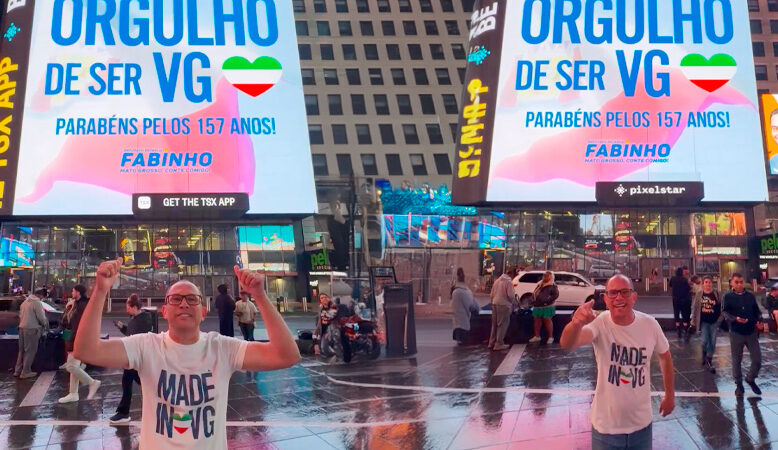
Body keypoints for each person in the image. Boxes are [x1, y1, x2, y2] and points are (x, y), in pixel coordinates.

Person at [74, 259, 300, 449]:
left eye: (192, 299)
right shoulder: (146, 346)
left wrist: (259, 296)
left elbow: (286, 355)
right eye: (176, 299)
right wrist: (100, 290)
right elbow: (86, 350)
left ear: (203, 312)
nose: (183, 303)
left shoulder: (222, 348)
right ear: (164, 311)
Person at [560, 275, 675, 449]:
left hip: (641, 427)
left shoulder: (650, 325)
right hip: (606, 430)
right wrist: (576, 324)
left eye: (624, 292)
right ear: (606, 299)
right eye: (613, 293)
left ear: (634, 297)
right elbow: (567, 344)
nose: (619, 298)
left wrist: (670, 395)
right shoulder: (600, 323)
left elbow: (665, 355)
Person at [109, 294, 153, 423]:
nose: (126, 309)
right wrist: (122, 327)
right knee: (135, 382)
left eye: (127, 306)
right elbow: (131, 334)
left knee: (135, 382)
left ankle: (124, 412)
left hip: (137, 358)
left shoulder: (143, 320)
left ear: (134, 306)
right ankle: (124, 412)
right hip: (133, 358)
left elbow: (136, 337)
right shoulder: (136, 318)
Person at [723, 273, 768, 396]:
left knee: (757, 359)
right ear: (731, 283)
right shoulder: (727, 297)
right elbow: (725, 313)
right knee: (737, 360)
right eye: (736, 282)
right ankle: (739, 384)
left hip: (751, 332)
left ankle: (751, 378)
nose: (739, 284)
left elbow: (757, 311)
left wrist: (760, 321)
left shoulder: (750, 296)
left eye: (741, 282)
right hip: (736, 332)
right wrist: (735, 319)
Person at [59, 284, 101, 403]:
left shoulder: (82, 306)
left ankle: (92, 382)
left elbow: (77, 327)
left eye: (73, 291)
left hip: (77, 339)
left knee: (70, 366)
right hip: (71, 336)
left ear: (78, 292)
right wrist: (68, 308)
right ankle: (73, 393)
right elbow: (66, 321)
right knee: (73, 366)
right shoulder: (75, 305)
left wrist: (71, 343)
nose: (71, 292)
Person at [14, 288, 48, 379]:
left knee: (21, 350)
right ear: (40, 295)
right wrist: (44, 324)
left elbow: (20, 315)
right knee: (30, 351)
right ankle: (26, 372)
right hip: (32, 329)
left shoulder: (25, 302)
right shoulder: (36, 302)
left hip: (22, 328)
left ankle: (17, 370)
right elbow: (41, 317)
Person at [690, 276, 722, 373]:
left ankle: (709, 359)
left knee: (712, 341)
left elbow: (722, 306)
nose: (708, 284)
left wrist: (720, 319)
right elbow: (695, 308)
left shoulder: (716, 294)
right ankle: (704, 352)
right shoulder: (699, 294)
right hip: (704, 322)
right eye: (706, 282)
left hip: (714, 322)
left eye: (709, 282)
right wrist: (693, 319)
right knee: (704, 341)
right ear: (703, 284)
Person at [488, 266, 516, 351]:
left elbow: (491, 294)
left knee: (494, 325)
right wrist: (512, 303)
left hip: (494, 304)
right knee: (502, 324)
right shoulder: (508, 282)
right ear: (511, 274)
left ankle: (491, 343)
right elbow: (511, 295)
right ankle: (499, 344)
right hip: (503, 305)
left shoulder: (497, 280)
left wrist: (493, 302)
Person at [529, 271, 559, 344]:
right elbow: (535, 292)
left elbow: (556, 295)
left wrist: (548, 300)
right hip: (538, 305)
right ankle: (537, 336)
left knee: (547, 321)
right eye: (545, 275)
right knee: (537, 321)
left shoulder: (552, 285)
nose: (545, 276)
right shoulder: (540, 284)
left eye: (547, 275)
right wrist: (533, 299)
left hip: (547, 306)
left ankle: (550, 337)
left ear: (551, 277)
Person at [451, 268, 479, 345]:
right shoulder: (465, 291)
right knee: (463, 345)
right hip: (464, 323)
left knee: (459, 344)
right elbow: (471, 306)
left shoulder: (456, 291)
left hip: (457, 323)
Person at [670, 267, 692, 340]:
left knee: (676, 314)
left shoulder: (673, 279)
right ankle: (685, 330)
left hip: (675, 299)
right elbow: (688, 288)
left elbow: (670, 285)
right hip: (684, 299)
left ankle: (678, 330)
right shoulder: (684, 280)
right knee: (684, 314)